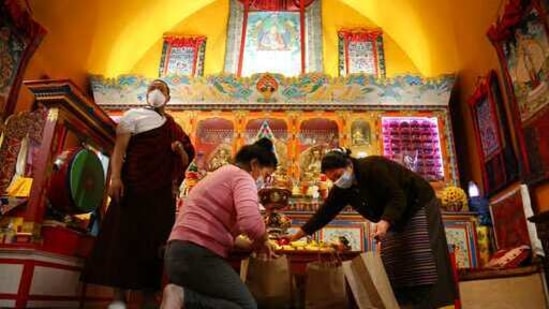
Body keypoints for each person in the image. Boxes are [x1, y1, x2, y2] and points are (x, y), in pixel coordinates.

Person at [289, 148, 457, 308]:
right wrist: (296, 237)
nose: (337, 181)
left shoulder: (373, 167)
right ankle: (403, 305)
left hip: (417, 204)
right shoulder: (342, 188)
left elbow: (396, 196)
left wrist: (384, 222)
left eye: (338, 175)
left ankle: (429, 304)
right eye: (332, 180)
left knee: (419, 258)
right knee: (392, 263)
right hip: (392, 216)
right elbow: (324, 214)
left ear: (349, 165)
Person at [81, 79, 195, 309]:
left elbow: (185, 161)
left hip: (161, 194)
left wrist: (179, 149)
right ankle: (118, 298)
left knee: (155, 245)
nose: (156, 92)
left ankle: (148, 296)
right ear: (146, 95)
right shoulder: (133, 115)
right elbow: (119, 150)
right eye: (152, 88)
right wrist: (115, 177)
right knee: (122, 238)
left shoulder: (174, 128)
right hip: (133, 186)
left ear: (168, 97)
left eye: (161, 89)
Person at [160, 138, 278, 309]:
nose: (264, 182)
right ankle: (183, 296)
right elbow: (251, 223)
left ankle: (183, 296)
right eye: (266, 176)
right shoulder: (243, 177)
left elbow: (226, 232)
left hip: (177, 253)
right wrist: (264, 239)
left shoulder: (221, 174)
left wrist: (253, 245)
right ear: (254, 164)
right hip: (198, 255)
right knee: (246, 306)